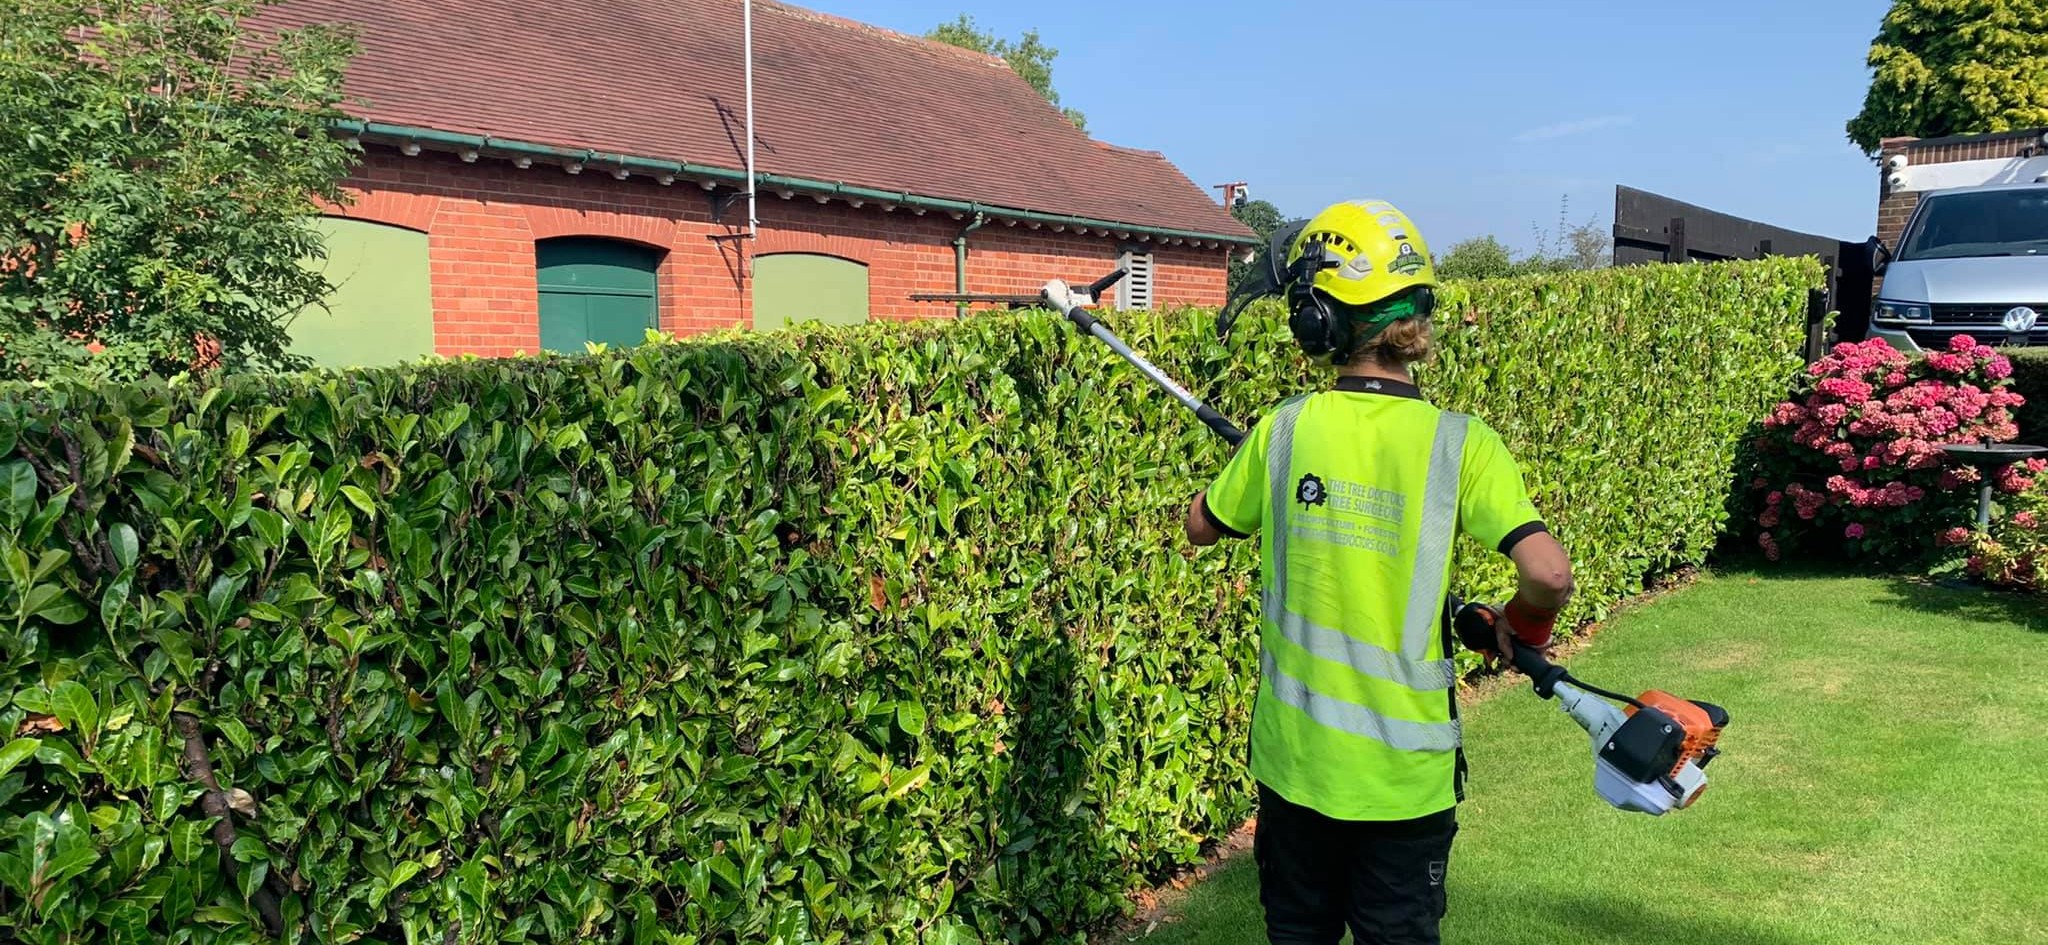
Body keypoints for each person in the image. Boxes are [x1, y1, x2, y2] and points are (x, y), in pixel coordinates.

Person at [1183, 200, 1575, 945]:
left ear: (1318, 319)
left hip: (1297, 774)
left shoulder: (1285, 428)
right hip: (1406, 788)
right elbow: (1548, 572)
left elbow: (1202, 527)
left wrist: (1232, 482)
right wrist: (1520, 625)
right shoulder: (1463, 444)